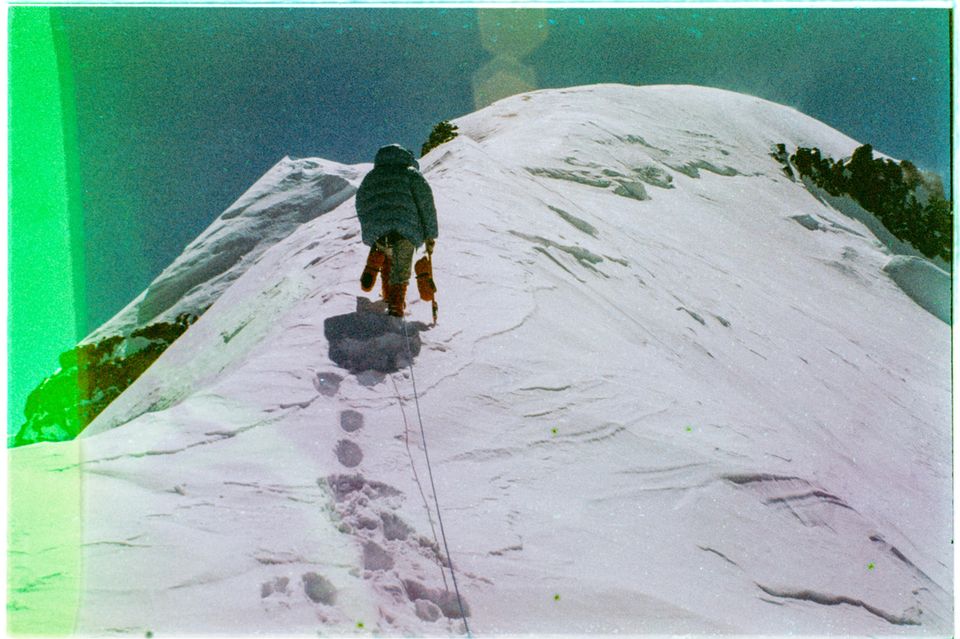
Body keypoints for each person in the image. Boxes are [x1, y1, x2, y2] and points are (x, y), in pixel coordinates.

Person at [355, 144, 438, 318]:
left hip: (378, 230)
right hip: (405, 229)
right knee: (400, 271)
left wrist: (370, 228)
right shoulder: (411, 173)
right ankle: (395, 307)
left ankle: (375, 263)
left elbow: (361, 202)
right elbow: (426, 204)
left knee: (387, 260)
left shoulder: (371, 176)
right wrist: (430, 234)